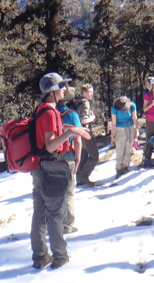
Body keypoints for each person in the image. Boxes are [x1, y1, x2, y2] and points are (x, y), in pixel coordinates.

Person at [31, 73, 90, 269]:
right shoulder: (49, 112)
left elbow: (48, 134)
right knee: (56, 213)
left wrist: (66, 128)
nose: (65, 89)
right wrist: (71, 132)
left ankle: (40, 256)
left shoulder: (44, 109)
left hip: (40, 168)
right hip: (51, 168)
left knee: (40, 214)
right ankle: (60, 256)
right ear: (52, 92)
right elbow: (49, 145)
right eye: (61, 86)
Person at [56, 87, 81, 235]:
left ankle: (53, 222)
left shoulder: (50, 113)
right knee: (69, 193)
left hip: (52, 156)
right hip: (68, 156)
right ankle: (68, 225)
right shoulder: (72, 115)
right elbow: (78, 139)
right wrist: (78, 158)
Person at [75, 84, 100, 186]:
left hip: (78, 133)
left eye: (92, 92)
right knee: (94, 156)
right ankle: (83, 177)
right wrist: (92, 118)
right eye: (90, 92)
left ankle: (80, 179)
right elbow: (83, 120)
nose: (92, 94)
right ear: (83, 93)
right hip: (85, 133)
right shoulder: (85, 103)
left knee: (83, 156)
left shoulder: (78, 102)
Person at [110, 96, 139, 178]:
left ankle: (125, 166)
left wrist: (136, 130)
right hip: (119, 129)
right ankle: (118, 169)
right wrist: (112, 136)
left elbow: (134, 118)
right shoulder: (114, 109)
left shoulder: (132, 105)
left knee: (128, 148)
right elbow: (113, 123)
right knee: (120, 150)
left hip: (130, 127)